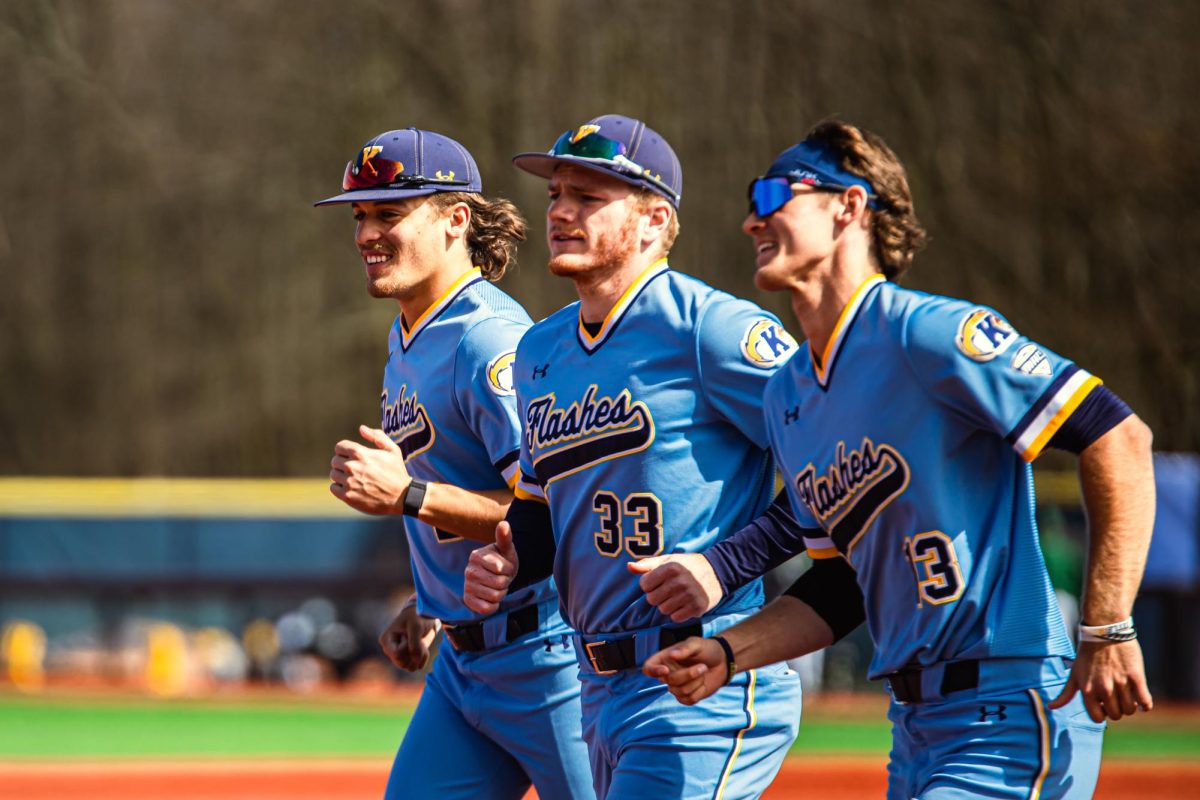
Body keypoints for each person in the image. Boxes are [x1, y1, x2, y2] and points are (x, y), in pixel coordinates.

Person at [639, 120, 1157, 799]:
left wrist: (1108, 623)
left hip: (1007, 706)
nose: (750, 221)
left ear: (849, 207)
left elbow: (1117, 435)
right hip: (914, 728)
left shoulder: (928, 335)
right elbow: (839, 586)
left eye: (771, 195)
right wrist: (730, 652)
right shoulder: (789, 394)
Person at [462, 114, 803, 800]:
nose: (559, 211)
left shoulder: (712, 329)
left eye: (588, 198)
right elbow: (537, 499)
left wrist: (725, 563)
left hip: (703, 673)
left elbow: (844, 461)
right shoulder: (540, 352)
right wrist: (512, 557)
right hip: (599, 690)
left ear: (653, 219)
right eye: (557, 193)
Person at [316, 128, 592, 800]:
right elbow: (466, 479)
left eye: (389, 213)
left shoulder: (488, 338)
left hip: (545, 658)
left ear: (455, 219)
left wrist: (409, 495)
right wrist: (433, 605)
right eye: (360, 215)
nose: (366, 234)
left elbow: (552, 510)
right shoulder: (408, 330)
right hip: (462, 665)